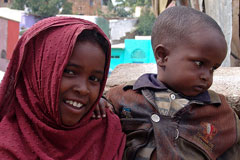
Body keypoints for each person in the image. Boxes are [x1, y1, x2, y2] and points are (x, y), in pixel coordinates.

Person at [105, 6, 240, 160]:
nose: (206, 76)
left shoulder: (222, 113)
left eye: (213, 68)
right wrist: (101, 104)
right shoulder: (123, 96)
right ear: (162, 56)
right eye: (199, 63)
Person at [0, 16, 125, 159]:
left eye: (94, 79)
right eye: (70, 72)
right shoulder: (7, 142)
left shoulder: (106, 134)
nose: (84, 89)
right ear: (37, 70)